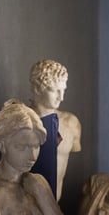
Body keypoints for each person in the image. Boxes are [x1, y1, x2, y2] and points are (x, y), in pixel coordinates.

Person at [29, 59, 82, 201]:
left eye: (63, 90)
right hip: (24, 205)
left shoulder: (71, 124)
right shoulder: (19, 121)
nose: (61, 97)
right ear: (37, 89)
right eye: (55, 91)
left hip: (55, 204)